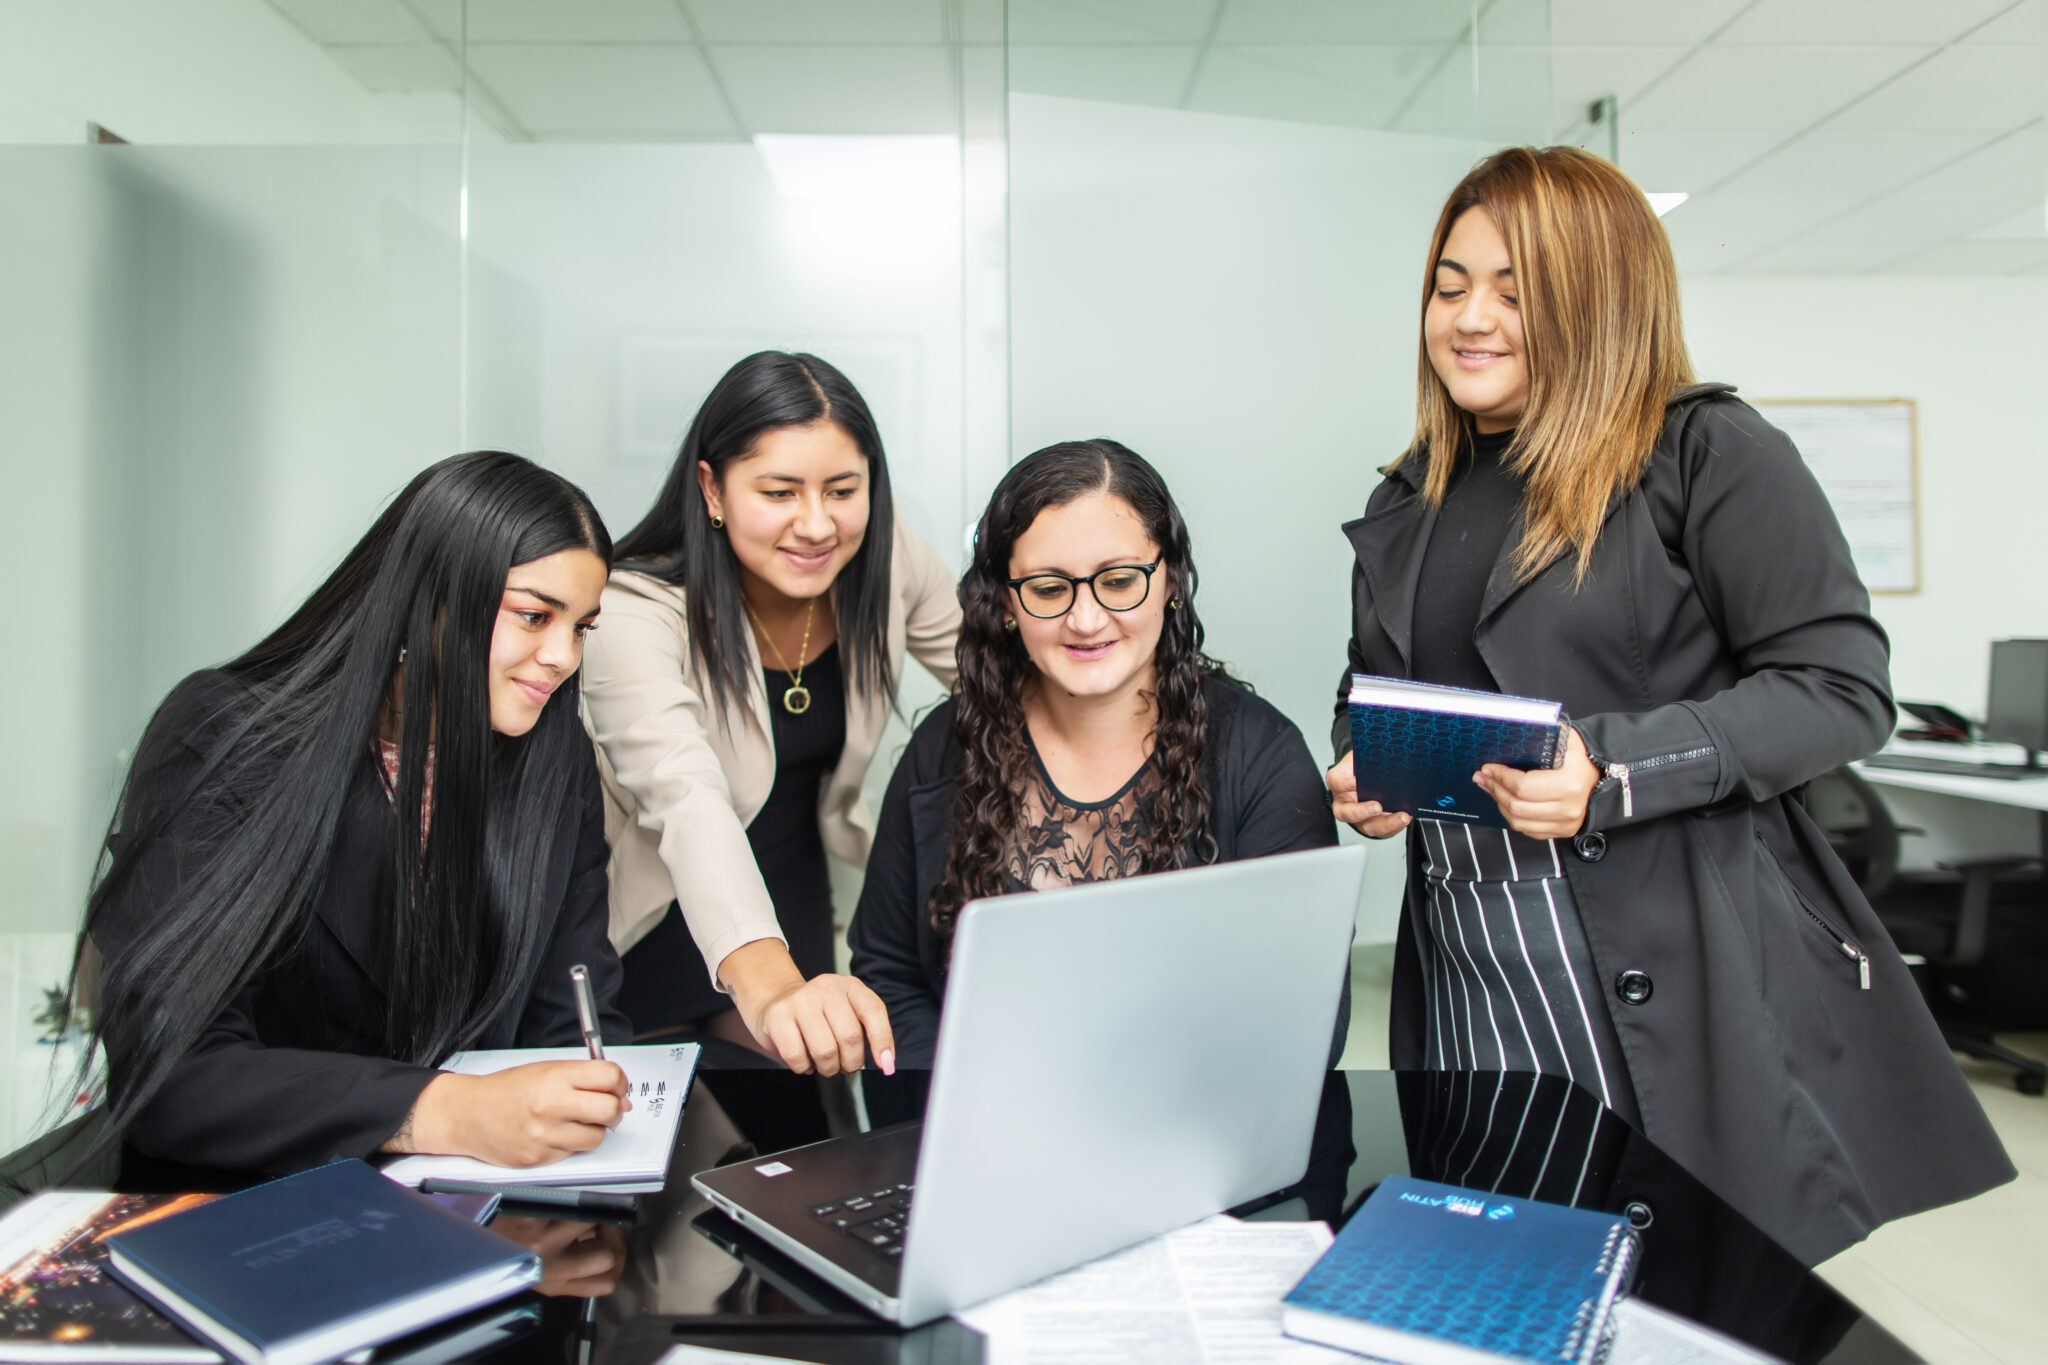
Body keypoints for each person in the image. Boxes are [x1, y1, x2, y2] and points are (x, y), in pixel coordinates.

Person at [1324, 145, 2011, 1265]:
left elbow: (1839, 687)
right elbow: (1370, 682)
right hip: (1469, 964)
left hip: (1657, 965)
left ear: (1598, 300)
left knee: (1673, 1288)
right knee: (1505, 1273)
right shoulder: (1408, 495)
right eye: (1449, 285)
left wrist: (1610, 768)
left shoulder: (1704, 452)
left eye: (1514, 289)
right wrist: (1367, 755)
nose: (1468, 317)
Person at [80, 451, 632, 1181]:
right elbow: (172, 1073)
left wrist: (586, 1102)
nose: (562, 656)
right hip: (240, 1216)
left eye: (582, 626)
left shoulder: (552, 759)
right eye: (534, 615)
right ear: (425, 599)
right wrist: (448, 1110)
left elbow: (569, 1017)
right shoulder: (221, 734)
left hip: (483, 1218)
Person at [849, 440, 1353, 1206]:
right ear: (1006, 603)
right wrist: (966, 1125)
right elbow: (887, 972)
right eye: (1048, 588)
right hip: (986, 1163)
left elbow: (1301, 1014)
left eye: (1120, 581)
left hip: (1207, 1173)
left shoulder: (1262, 756)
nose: (1087, 618)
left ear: (1170, 581)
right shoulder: (941, 750)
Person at [581, 351, 959, 1145]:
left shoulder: (884, 566)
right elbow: (685, 797)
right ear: (713, 489)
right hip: (653, 917)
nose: (818, 523)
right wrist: (771, 984)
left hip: (791, 894)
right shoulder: (629, 611)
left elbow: (1006, 683)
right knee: (666, 1195)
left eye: (844, 491)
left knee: (808, 1158)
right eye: (780, 492)